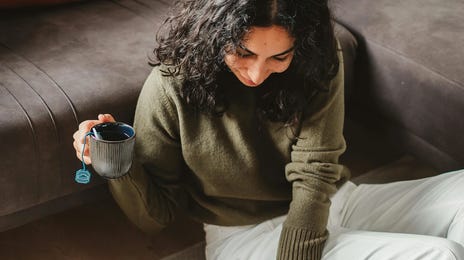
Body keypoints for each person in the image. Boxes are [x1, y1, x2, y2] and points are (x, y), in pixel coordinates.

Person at [73, 0, 464, 259]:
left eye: (280, 56)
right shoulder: (170, 86)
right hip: (245, 237)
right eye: (244, 53)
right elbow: (155, 218)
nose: (258, 73)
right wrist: (117, 165)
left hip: (330, 201)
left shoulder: (319, 60)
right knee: (440, 254)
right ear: (214, 36)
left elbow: (315, 173)